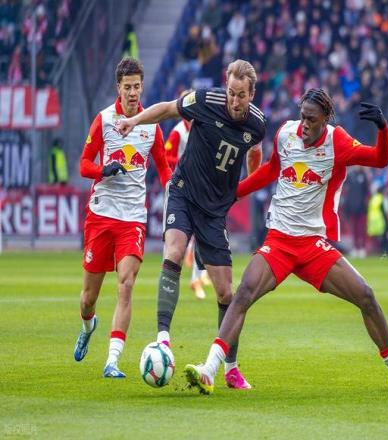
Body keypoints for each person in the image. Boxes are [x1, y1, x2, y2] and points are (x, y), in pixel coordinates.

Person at [184, 89, 388, 394]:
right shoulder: (286, 134)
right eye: (302, 116)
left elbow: (380, 159)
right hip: (279, 240)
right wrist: (234, 194)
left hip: (313, 245)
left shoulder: (338, 142)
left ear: (325, 119)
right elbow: (270, 171)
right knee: (244, 292)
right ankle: (209, 369)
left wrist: (382, 129)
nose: (304, 124)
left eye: (311, 120)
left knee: (366, 296)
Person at [116, 59, 266, 389]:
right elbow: (167, 109)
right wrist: (134, 120)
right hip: (184, 192)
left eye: (241, 95)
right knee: (173, 251)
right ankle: (163, 339)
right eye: (231, 92)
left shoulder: (257, 124)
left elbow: (255, 153)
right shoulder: (205, 100)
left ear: (252, 94)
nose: (234, 100)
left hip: (214, 211)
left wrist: (247, 183)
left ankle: (231, 368)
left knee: (226, 291)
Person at [73, 57, 172, 378]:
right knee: (88, 299)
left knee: (126, 284)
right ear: (118, 87)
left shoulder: (151, 125)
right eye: (127, 87)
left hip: (132, 219)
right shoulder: (104, 120)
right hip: (101, 215)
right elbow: (83, 164)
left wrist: (174, 190)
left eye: (137, 87)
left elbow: (163, 167)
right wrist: (103, 170)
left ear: (142, 87)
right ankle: (88, 326)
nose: (132, 92)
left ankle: (112, 361)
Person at [164, 102, 212, 300]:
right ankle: (171, 279)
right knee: (174, 237)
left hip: (198, 186)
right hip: (179, 187)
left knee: (201, 233)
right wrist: (185, 164)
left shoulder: (201, 129)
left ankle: (197, 277)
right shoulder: (178, 132)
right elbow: (166, 156)